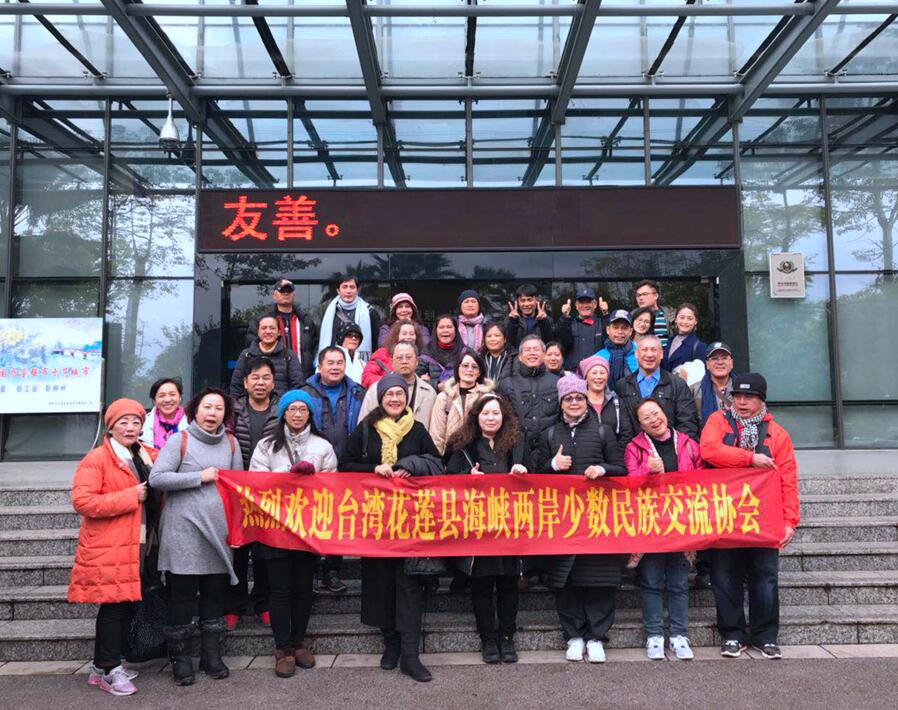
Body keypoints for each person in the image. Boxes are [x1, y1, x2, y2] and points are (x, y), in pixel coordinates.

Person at [339, 374, 443, 683]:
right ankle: (391, 644)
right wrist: (373, 469)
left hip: (412, 523)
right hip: (376, 523)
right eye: (389, 395)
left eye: (399, 394)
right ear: (381, 399)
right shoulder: (366, 429)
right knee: (381, 584)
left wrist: (410, 465)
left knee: (409, 586)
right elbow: (345, 465)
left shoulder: (417, 429)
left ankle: (410, 654)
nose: (395, 399)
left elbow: (436, 464)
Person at [700, 373, 799, 661]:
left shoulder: (777, 434)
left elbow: (788, 480)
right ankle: (732, 635)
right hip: (725, 516)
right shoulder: (718, 421)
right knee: (724, 576)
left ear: (761, 400)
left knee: (765, 578)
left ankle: (765, 637)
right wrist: (749, 458)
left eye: (750, 397)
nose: (742, 402)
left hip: (764, 518)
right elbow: (709, 450)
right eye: (738, 396)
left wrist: (789, 521)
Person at [149, 387, 242, 686]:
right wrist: (198, 477)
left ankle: (211, 656)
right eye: (207, 407)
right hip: (183, 534)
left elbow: (238, 488)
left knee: (214, 596)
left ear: (225, 415)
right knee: (182, 598)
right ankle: (181, 659)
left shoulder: (231, 443)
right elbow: (157, 478)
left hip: (218, 535)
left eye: (218, 408)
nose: (212, 413)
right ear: (195, 411)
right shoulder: (180, 440)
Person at [532, 374, 626, 664]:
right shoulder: (549, 434)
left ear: (587, 400)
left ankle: (597, 636)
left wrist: (603, 469)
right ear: (561, 403)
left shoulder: (603, 431)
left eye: (579, 398)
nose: (574, 402)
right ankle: (573, 635)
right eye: (569, 398)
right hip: (563, 519)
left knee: (600, 578)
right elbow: (536, 473)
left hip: (599, 518)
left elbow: (621, 468)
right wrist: (552, 464)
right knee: (567, 579)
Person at [69, 399, 159, 696]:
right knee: (114, 606)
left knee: (123, 605)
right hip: (110, 546)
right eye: (123, 422)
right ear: (110, 426)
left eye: (136, 422)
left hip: (138, 542)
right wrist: (130, 496)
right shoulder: (97, 459)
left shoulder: (144, 454)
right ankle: (110, 669)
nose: (130, 427)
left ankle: (100, 667)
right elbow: (83, 501)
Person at [249, 390, 337, 677]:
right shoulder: (265, 446)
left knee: (303, 589)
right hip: (275, 528)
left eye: (303, 409)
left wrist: (314, 479)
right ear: (283, 413)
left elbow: (333, 485)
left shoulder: (323, 446)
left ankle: (298, 642)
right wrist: (289, 473)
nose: (297, 414)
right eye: (292, 409)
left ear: (310, 414)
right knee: (280, 590)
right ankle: (282, 648)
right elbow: (257, 483)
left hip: (308, 529)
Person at [445, 394, 527, 664]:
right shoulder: (462, 445)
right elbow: (447, 481)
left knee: (508, 584)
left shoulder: (516, 443)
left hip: (509, 525)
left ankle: (507, 637)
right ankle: (488, 639)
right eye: (486, 413)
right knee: (481, 585)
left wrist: (522, 470)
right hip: (477, 526)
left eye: (496, 413)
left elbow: (537, 473)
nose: (491, 418)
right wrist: (467, 479)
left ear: (504, 417)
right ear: (476, 416)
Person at [624, 399, 704, 661]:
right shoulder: (634, 447)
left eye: (656, 413)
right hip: (651, 524)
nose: (654, 420)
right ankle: (654, 635)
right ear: (640, 424)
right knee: (652, 582)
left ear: (665, 413)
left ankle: (680, 635)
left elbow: (704, 479)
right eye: (646, 417)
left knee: (679, 583)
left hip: (682, 522)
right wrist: (646, 470)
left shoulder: (688, 444)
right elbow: (629, 483)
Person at [301, 346, 365, 594]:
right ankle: (311, 570)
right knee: (311, 517)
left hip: (346, 464)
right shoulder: (305, 392)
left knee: (339, 518)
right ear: (319, 366)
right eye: (330, 362)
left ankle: (333, 570)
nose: (336, 367)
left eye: (340, 362)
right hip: (313, 465)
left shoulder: (357, 392)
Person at [226, 356, 279, 630]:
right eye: (255, 378)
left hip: (271, 494)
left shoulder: (283, 410)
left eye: (266, 377)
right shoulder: (231, 411)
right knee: (237, 549)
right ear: (245, 383)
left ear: (273, 382)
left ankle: (262, 602)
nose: (260, 383)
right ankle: (233, 604)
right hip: (236, 491)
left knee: (265, 551)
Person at [616, 335, 700, 444]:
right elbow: (621, 426)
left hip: (671, 448)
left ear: (661, 354)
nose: (649, 354)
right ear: (636, 354)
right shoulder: (622, 386)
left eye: (654, 350)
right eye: (644, 350)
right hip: (635, 450)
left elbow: (687, 423)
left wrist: (676, 448)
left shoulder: (677, 384)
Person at [497, 335, 560, 452]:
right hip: (517, 449)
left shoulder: (557, 383)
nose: (532, 353)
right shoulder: (507, 385)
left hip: (549, 449)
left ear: (544, 354)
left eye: (536, 349)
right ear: (520, 357)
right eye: (527, 350)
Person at [246, 279, 318, 377]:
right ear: (274, 295)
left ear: (294, 295)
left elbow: (315, 346)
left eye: (289, 291)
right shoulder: (261, 320)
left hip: (302, 376)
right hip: (273, 376)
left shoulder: (305, 320)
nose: (285, 294)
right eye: (282, 291)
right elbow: (252, 345)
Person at [429, 349, 495, 456]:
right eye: (465, 365)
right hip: (450, 456)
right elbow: (437, 435)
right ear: (458, 368)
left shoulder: (486, 398)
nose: (469, 369)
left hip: (480, 456)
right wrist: (438, 460)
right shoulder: (444, 398)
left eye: (474, 367)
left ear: (479, 373)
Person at [359, 341, 437, 427]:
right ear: (392, 362)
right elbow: (363, 427)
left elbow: (434, 430)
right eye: (399, 358)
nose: (404, 361)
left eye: (408, 357)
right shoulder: (376, 389)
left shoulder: (429, 392)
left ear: (417, 361)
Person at [231, 315, 304, 398]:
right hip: (250, 405)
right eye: (264, 328)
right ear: (258, 332)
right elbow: (236, 386)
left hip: (280, 404)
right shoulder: (247, 354)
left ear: (279, 332)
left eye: (272, 328)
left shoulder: (289, 355)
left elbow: (297, 386)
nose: (268, 331)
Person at [317, 274, 380, 360]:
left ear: (357, 290)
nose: (348, 291)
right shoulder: (330, 312)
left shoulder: (370, 312)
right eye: (345, 287)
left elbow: (375, 341)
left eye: (352, 287)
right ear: (338, 291)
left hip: (361, 362)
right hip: (335, 361)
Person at [579, 355, 631, 442]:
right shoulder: (579, 402)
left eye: (602, 373)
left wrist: (616, 450)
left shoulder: (616, 402)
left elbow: (627, 433)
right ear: (586, 377)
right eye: (594, 373)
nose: (598, 377)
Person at [555, 287, 608, 372]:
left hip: (596, 374)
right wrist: (565, 318)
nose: (585, 305)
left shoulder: (602, 322)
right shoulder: (568, 323)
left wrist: (605, 314)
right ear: (576, 305)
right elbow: (563, 345)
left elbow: (610, 342)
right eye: (581, 302)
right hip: (573, 374)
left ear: (595, 304)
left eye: (588, 302)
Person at [362, 319, 425, 390]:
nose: (408, 337)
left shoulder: (422, 356)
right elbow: (367, 377)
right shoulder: (382, 353)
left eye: (412, 334)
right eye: (404, 334)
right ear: (396, 336)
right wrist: (391, 382)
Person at [691, 341, 737, 428]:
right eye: (714, 358)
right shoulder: (694, 390)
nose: (720, 362)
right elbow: (689, 423)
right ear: (707, 364)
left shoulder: (742, 388)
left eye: (724, 358)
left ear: (731, 362)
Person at [140, 376, 187, 451]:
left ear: (180, 397)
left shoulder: (191, 422)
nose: (167, 400)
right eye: (161, 396)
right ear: (154, 400)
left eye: (172, 394)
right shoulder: (142, 424)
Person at [595, 309, 638, 390]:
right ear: (608, 330)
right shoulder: (598, 357)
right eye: (615, 327)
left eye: (624, 328)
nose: (620, 331)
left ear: (631, 331)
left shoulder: (641, 356)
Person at [419, 314, 465, 387]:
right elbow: (416, 379)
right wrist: (436, 385)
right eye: (441, 327)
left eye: (449, 327)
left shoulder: (466, 352)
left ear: (456, 330)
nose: (445, 330)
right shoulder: (427, 352)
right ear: (436, 330)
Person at [662, 303, 708, 373]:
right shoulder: (669, 341)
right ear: (676, 319)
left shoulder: (700, 347)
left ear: (695, 321)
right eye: (682, 317)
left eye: (690, 319)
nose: (685, 321)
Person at [505, 283, 553, 348]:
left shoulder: (547, 320)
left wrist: (543, 322)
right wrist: (513, 322)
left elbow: (550, 343)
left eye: (529, 300)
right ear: (518, 302)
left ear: (536, 300)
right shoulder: (509, 320)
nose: (526, 304)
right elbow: (508, 343)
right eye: (522, 300)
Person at [633, 280, 674, 347]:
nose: (640, 298)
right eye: (638, 295)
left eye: (644, 294)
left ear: (656, 296)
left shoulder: (670, 314)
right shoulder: (632, 317)